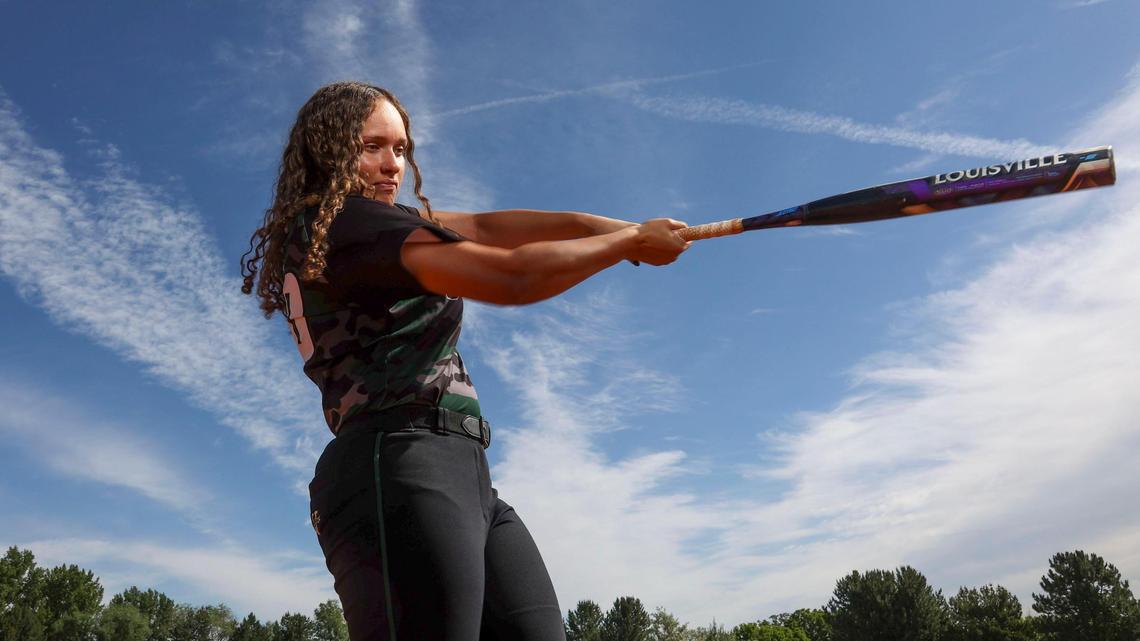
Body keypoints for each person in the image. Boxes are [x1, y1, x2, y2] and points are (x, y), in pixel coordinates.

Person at [240, 81, 688, 641]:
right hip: (397, 466)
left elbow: (488, 227)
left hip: (460, 470)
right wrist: (624, 245)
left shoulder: (364, 227)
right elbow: (512, 274)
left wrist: (610, 228)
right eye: (371, 147)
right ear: (327, 150)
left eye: (401, 149)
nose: (391, 165)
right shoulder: (352, 227)